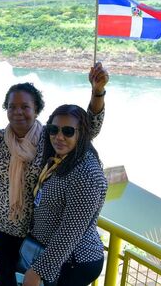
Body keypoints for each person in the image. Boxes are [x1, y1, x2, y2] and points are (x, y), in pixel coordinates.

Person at [0, 63, 108, 286]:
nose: (18, 112)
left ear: (36, 110)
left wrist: (97, 92)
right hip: (0, 226)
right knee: (5, 278)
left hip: (31, 232)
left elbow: (87, 128)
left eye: (25, 106)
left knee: (30, 280)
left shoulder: (50, 137)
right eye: (12, 106)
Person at [22, 104, 108, 286]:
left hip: (74, 260)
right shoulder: (60, 158)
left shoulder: (86, 173)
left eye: (68, 131)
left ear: (82, 134)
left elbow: (71, 231)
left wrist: (38, 271)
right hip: (54, 254)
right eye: (54, 130)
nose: (59, 137)